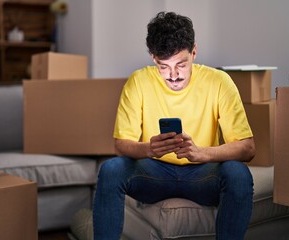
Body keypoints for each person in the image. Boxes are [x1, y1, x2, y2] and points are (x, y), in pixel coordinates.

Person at [93, 11, 255, 240]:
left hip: (202, 174)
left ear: (194, 52)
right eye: (164, 66)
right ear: (153, 58)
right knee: (111, 169)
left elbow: (248, 148)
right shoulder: (138, 81)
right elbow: (120, 145)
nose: (173, 75)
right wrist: (148, 149)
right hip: (155, 174)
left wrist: (201, 153)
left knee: (238, 173)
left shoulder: (219, 81)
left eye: (181, 64)